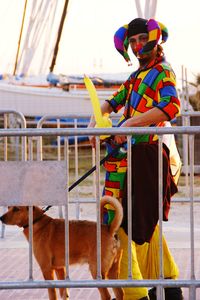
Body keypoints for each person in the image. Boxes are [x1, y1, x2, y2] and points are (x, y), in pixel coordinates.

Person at [88, 18, 183, 300]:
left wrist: (130, 125)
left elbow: (171, 106)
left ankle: (135, 293)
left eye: (142, 39)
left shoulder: (163, 72)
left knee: (125, 224)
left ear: (154, 40)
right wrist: (97, 119)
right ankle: (168, 285)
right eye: (133, 41)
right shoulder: (135, 77)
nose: (138, 46)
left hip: (145, 158)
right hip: (126, 158)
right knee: (140, 222)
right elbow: (113, 100)